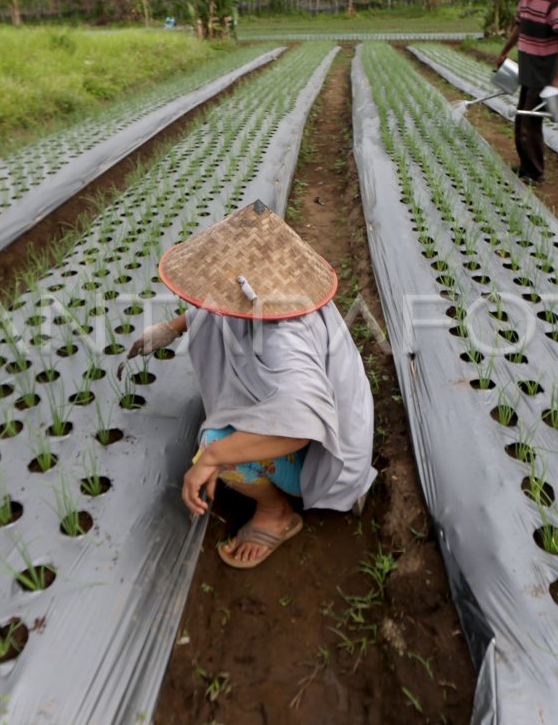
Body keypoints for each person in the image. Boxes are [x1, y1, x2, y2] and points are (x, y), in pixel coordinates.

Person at [127, 200, 375, 569]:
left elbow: (302, 427)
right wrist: (171, 328)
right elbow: (219, 301)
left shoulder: (284, 340)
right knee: (226, 439)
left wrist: (213, 457)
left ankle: (277, 513)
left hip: (326, 457)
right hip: (318, 418)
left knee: (213, 444)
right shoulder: (276, 294)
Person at [494, 0, 558, 185]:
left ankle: (536, 174)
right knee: (521, 118)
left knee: (529, 122)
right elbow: (521, 25)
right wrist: (505, 50)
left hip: (543, 69)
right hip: (527, 65)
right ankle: (527, 167)